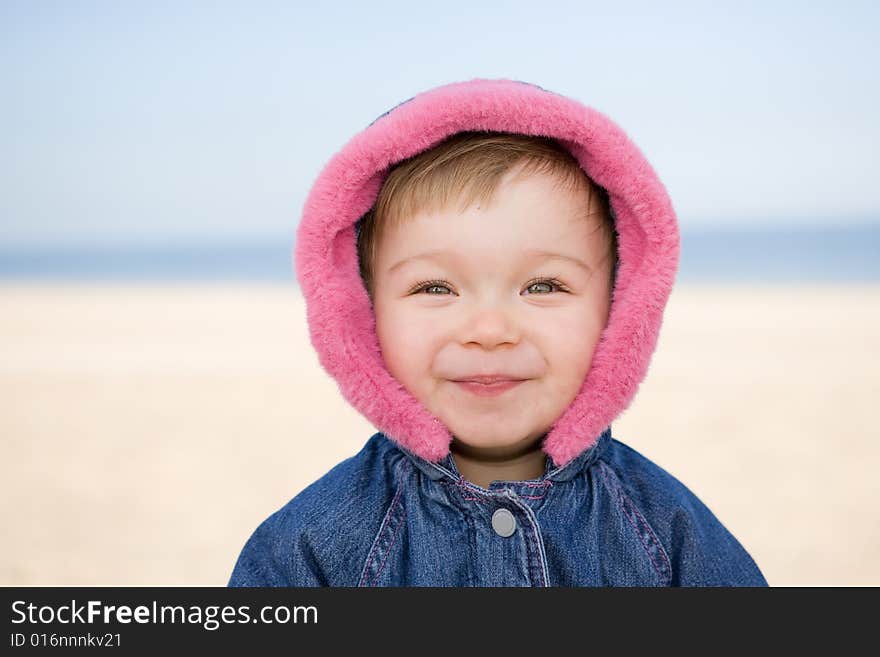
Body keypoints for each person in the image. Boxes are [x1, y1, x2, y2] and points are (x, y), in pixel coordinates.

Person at [227, 78, 768, 586]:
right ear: (362, 312)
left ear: (619, 309)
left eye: (543, 285)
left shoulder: (665, 532)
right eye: (435, 288)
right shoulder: (310, 548)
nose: (489, 331)